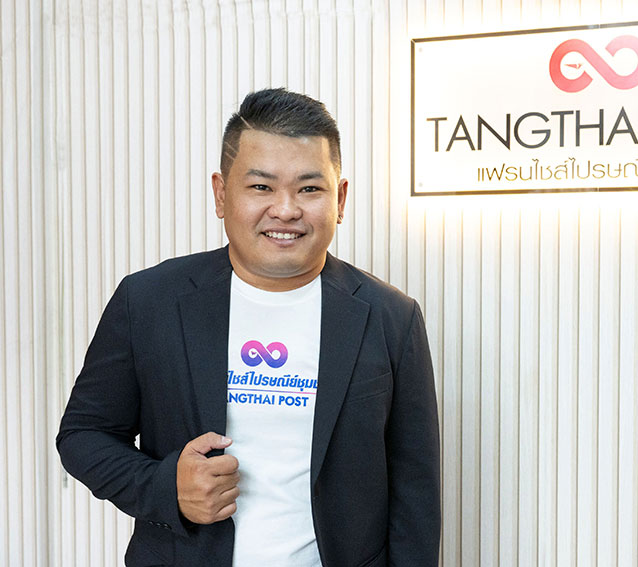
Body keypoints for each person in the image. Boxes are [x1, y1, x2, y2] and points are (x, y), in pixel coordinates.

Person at [56, 88, 441, 566]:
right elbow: (83, 435)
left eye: (310, 189)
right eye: (261, 187)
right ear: (222, 194)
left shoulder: (390, 317)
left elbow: (416, 492)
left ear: (340, 199)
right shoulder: (150, 301)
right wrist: (165, 488)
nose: (286, 210)